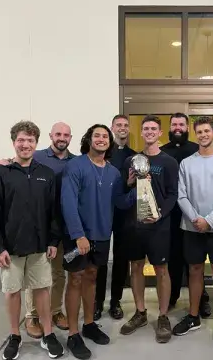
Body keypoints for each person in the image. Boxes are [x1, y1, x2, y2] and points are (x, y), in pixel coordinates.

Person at [0, 120, 64, 360]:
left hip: (40, 247)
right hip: (10, 249)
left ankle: (48, 334)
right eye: (21, 140)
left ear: (36, 143)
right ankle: (15, 335)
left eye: (30, 140)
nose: (25, 144)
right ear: (13, 142)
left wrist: (52, 240)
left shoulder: (46, 175)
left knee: (42, 290)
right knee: (13, 291)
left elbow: (53, 211)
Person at [61, 124, 136, 360]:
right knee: (75, 279)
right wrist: (78, 235)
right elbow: (68, 202)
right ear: (89, 140)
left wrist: (135, 188)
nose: (102, 139)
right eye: (97, 136)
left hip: (103, 235)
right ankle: (73, 333)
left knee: (92, 276)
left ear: (110, 142)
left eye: (105, 136)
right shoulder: (75, 166)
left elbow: (120, 203)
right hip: (79, 235)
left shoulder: (114, 172)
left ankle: (89, 323)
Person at [0, 122, 74, 338]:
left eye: (66, 134)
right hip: (25, 234)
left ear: (70, 138)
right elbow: (18, 163)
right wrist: (5, 162)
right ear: (50, 136)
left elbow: (59, 202)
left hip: (55, 230)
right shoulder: (37, 156)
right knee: (30, 280)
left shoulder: (74, 161)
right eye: (58, 133)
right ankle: (31, 316)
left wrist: (57, 234)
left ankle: (55, 311)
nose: (61, 137)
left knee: (56, 275)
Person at [172, 116, 213, 346]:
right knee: (194, 270)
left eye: (206, 131)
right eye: (199, 132)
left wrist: (209, 221)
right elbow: (181, 195)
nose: (203, 135)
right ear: (195, 134)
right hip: (192, 227)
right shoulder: (187, 163)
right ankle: (193, 316)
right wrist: (195, 219)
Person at [119, 115, 179, 344]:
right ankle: (140, 312)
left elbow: (173, 194)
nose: (150, 132)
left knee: (161, 269)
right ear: (142, 133)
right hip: (135, 225)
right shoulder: (131, 161)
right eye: (146, 129)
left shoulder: (169, 162)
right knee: (135, 267)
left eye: (154, 128)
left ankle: (163, 316)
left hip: (159, 226)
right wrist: (129, 183)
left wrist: (160, 214)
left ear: (160, 133)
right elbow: (126, 191)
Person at [160, 113, 211, 317]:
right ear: (170, 127)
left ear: (187, 127)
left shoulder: (196, 150)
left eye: (181, 124)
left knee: (196, 261)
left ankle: (202, 299)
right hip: (170, 216)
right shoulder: (162, 152)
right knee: (173, 259)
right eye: (174, 124)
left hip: (195, 215)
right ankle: (171, 297)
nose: (178, 127)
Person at [94, 114, 136, 321]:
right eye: (118, 125)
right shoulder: (101, 154)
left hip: (123, 215)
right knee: (100, 260)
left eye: (125, 125)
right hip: (101, 213)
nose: (122, 128)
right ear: (112, 128)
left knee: (121, 260)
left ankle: (115, 302)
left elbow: (131, 186)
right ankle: (97, 302)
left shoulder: (134, 156)